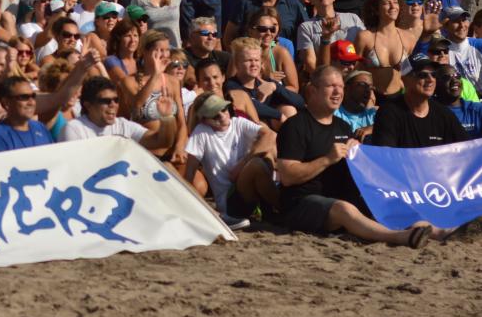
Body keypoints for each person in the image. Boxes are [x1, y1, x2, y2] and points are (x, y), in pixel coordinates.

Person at [250, 65, 444, 246]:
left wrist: (358, 156)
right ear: (313, 90)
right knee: (343, 209)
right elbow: (288, 176)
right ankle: (399, 237)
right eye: (331, 86)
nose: (337, 92)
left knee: (381, 198)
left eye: (340, 87)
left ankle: (433, 229)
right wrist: (326, 159)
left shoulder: (343, 126)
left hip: (341, 197)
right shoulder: (296, 126)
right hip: (302, 203)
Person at [183, 93, 275, 222]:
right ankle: (279, 207)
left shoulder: (238, 122)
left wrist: (242, 164)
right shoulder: (201, 132)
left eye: (223, 109)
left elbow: (270, 135)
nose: (222, 115)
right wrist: (206, 210)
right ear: (204, 120)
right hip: (230, 201)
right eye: (215, 115)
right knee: (257, 164)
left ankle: (271, 208)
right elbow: (189, 176)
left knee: (268, 150)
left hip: (244, 186)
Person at [368, 55, 468, 148]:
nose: (431, 80)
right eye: (422, 75)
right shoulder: (389, 113)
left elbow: (465, 149)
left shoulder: (444, 115)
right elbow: (386, 154)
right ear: (404, 79)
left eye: (434, 75)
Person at [61, 76, 177, 148]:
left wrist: (167, 117)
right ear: (88, 105)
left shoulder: (123, 125)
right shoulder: (74, 129)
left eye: (116, 100)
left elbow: (161, 142)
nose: (113, 105)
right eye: (105, 101)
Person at [296, 0, 365, 74]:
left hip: (353, 75)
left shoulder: (353, 18)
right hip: (325, 79)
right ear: (311, 0)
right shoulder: (306, 27)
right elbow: (310, 62)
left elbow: (365, 49)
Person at [0, 75, 54, 151]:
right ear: (6, 103)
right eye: (24, 97)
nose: (31, 102)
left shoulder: (40, 127)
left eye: (33, 96)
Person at [437, 64, 482, 139]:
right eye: (447, 77)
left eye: (457, 76)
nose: (454, 80)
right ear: (437, 84)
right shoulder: (431, 112)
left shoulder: (477, 110)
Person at [441, 6, 482, 87]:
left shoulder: (478, 44)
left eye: (464, 20)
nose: (462, 25)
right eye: (456, 21)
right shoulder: (439, 50)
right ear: (446, 25)